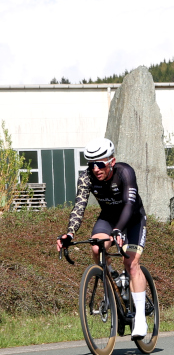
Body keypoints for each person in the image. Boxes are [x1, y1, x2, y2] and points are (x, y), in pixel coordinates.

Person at [57, 138, 150, 340]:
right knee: (97, 249)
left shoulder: (125, 172)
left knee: (131, 263)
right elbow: (79, 207)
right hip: (108, 217)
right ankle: (114, 278)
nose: (95, 169)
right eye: (91, 165)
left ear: (112, 161)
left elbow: (128, 204)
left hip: (132, 218)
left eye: (100, 164)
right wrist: (70, 233)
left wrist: (118, 230)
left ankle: (141, 319)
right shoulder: (86, 177)